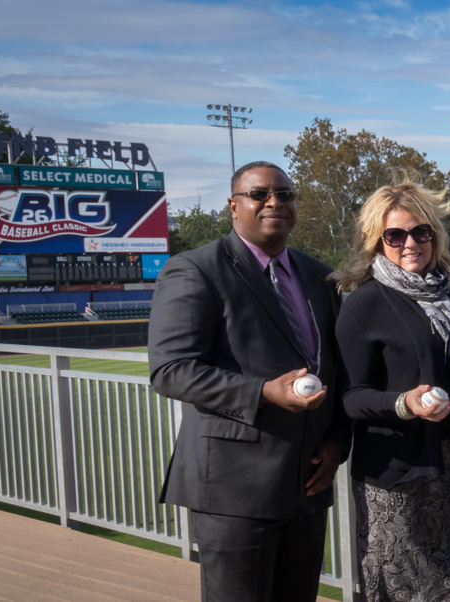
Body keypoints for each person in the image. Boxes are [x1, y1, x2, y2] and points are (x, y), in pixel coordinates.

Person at [148, 161, 349, 602]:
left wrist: (337, 442)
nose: (274, 201)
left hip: (307, 485)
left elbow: (338, 368)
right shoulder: (195, 269)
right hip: (233, 491)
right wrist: (263, 392)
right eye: (259, 194)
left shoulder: (321, 277)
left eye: (285, 194)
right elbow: (171, 369)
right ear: (233, 205)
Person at [334, 182, 450, 601]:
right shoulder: (363, 303)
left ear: (435, 235)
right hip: (396, 478)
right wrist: (404, 404)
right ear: (377, 241)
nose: (410, 244)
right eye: (394, 235)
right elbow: (350, 396)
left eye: (421, 232)